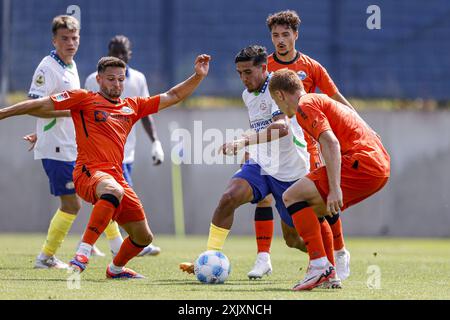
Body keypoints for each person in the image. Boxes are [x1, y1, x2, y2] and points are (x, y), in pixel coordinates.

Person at [0, 54, 211, 279]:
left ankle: (116, 269)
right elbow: (41, 104)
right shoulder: (83, 98)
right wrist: (3, 113)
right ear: (99, 79)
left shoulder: (132, 106)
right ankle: (83, 252)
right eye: (111, 79)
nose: (117, 84)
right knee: (113, 191)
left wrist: (197, 76)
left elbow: (173, 95)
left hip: (115, 177)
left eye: (121, 79)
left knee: (143, 238)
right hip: (87, 173)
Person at [180, 45, 341, 287]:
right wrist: (250, 149)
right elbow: (259, 126)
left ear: (263, 68)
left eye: (248, 72)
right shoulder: (248, 94)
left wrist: (244, 140)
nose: (244, 78)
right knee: (228, 197)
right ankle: (208, 257)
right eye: (239, 73)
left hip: (290, 171)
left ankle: (327, 265)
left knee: (294, 239)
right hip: (261, 164)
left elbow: (281, 127)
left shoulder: (277, 89)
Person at [249, 10, 353, 281]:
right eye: (275, 35)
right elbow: (257, 106)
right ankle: (267, 258)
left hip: (309, 146)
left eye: (286, 34)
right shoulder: (265, 66)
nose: (280, 40)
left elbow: (334, 96)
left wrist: (359, 123)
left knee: (321, 199)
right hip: (274, 146)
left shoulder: (312, 66)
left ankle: (338, 254)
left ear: (296, 35)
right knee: (276, 214)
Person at [268, 68, 390, 290]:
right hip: (378, 165)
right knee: (315, 209)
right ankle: (330, 273)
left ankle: (318, 266)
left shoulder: (305, 105)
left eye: (277, 103)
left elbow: (331, 143)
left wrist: (334, 188)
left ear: (281, 95)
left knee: (291, 196)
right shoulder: (320, 99)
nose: (280, 109)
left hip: (362, 162)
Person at [25, 15, 104, 269]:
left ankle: (90, 247)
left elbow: (58, 106)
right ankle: (46, 257)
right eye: (64, 39)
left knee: (98, 194)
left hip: (70, 145)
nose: (70, 42)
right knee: (72, 203)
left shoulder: (70, 65)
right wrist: (66, 115)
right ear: (54, 40)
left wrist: (41, 131)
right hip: (56, 149)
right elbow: (33, 106)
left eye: (74, 38)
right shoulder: (47, 67)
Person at [84, 35, 164, 257]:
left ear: (129, 55)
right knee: (116, 196)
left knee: (112, 198)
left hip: (126, 152)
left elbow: (146, 112)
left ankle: (110, 243)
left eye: (122, 52)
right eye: (114, 52)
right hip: (100, 155)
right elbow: (82, 113)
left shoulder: (138, 79)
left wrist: (155, 142)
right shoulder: (94, 79)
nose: (119, 56)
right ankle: (123, 243)